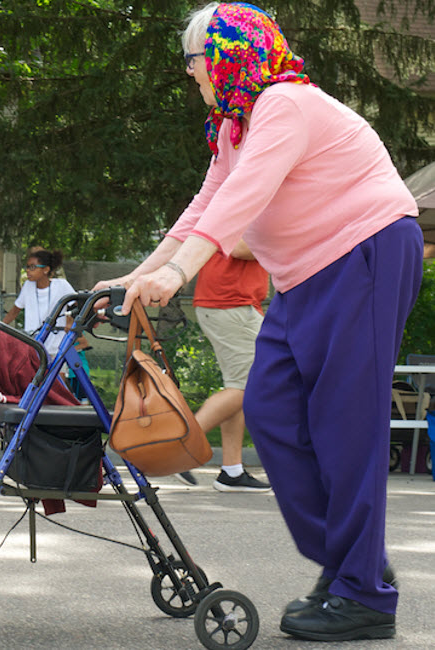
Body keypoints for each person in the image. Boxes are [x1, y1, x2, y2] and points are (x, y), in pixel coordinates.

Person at [97, 3, 420, 642]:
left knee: (343, 424)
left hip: (365, 253)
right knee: (270, 406)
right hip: (304, 275)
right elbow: (207, 204)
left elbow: (243, 202)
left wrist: (180, 274)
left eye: (193, 60)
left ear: (223, 56)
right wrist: (140, 274)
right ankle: (351, 561)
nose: (190, 75)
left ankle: (364, 597)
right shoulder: (234, 127)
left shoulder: (285, 105)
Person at [176, 245, 271, 492]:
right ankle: (180, 448)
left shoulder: (237, 207)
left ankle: (232, 471)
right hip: (231, 304)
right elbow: (239, 246)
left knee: (238, 388)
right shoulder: (245, 207)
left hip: (230, 304)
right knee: (249, 385)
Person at [2, 249, 76, 359]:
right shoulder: (28, 286)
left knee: (57, 375)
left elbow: (74, 304)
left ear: (46, 269)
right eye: (27, 267)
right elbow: (14, 311)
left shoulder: (61, 285)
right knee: (33, 375)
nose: (27, 271)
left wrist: (69, 321)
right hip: (33, 343)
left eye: (32, 267)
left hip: (56, 343)